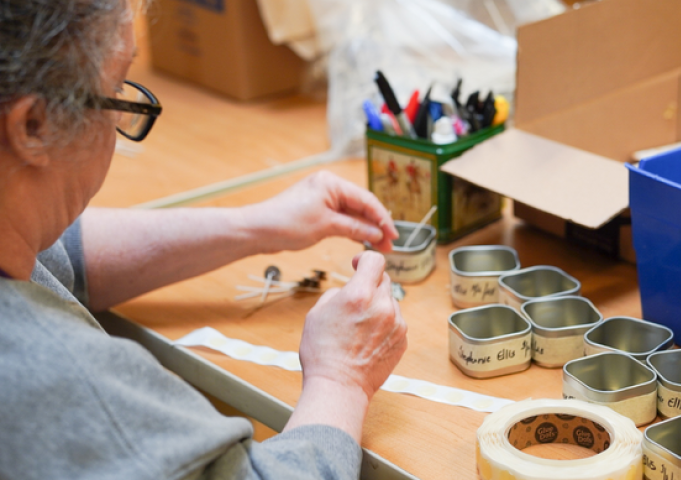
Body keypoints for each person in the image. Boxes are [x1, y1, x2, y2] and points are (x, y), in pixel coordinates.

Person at [0, 1, 408, 479]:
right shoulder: (52, 376)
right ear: (33, 127)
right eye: (115, 92)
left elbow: (55, 254)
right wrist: (342, 377)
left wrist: (258, 224)